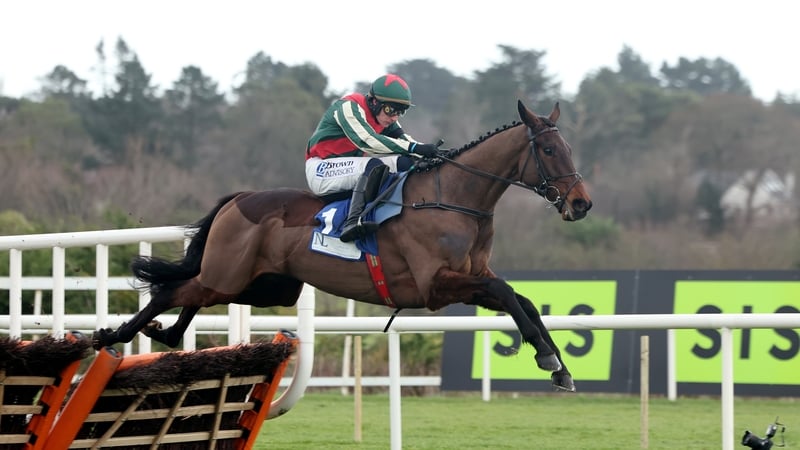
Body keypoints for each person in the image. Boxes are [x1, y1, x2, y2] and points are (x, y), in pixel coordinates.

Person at [305, 74, 439, 242]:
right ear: (374, 102)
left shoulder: (387, 120)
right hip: (321, 170)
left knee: (405, 162)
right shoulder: (349, 106)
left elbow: (407, 142)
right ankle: (352, 223)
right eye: (391, 110)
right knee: (374, 165)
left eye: (400, 112)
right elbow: (367, 142)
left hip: (347, 169)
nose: (394, 117)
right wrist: (415, 148)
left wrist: (438, 155)